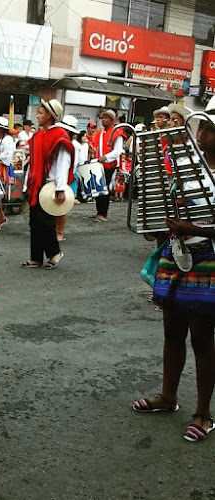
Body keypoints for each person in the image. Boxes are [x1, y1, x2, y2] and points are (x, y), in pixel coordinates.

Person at [132, 96, 215, 442]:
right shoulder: (187, 165)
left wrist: (191, 230)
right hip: (175, 254)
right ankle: (168, 397)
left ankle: (204, 414)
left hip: (207, 257)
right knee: (171, 330)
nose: (202, 131)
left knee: (201, 337)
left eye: (209, 127)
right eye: (204, 126)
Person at [20, 98, 74, 269]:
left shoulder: (60, 135)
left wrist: (60, 188)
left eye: (41, 113)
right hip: (36, 185)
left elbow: (62, 163)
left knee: (45, 221)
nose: (37, 116)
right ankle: (36, 257)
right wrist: (27, 185)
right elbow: (34, 163)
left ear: (50, 116)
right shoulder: (38, 135)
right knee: (34, 222)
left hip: (50, 185)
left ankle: (55, 252)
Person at [92, 109, 125, 222]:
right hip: (98, 164)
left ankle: (102, 213)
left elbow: (118, 150)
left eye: (106, 118)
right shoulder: (100, 133)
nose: (103, 120)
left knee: (104, 189)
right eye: (102, 118)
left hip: (109, 165)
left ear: (112, 120)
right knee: (98, 188)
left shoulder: (117, 132)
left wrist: (106, 157)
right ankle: (98, 211)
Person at [54, 115, 80, 242]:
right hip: (60, 178)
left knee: (61, 207)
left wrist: (60, 187)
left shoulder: (67, 146)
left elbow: (64, 166)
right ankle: (57, 230)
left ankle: (60, 231)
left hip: (63, 179)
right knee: (55, 206)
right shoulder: (63, 143)